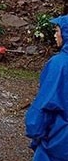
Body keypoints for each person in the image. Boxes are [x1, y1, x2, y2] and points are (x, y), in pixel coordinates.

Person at [25, 15, 68, 161]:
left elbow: (45, 104)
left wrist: (34, 130)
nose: (55, 35)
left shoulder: (59, 64)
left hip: (58, 140)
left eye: (57, 31)